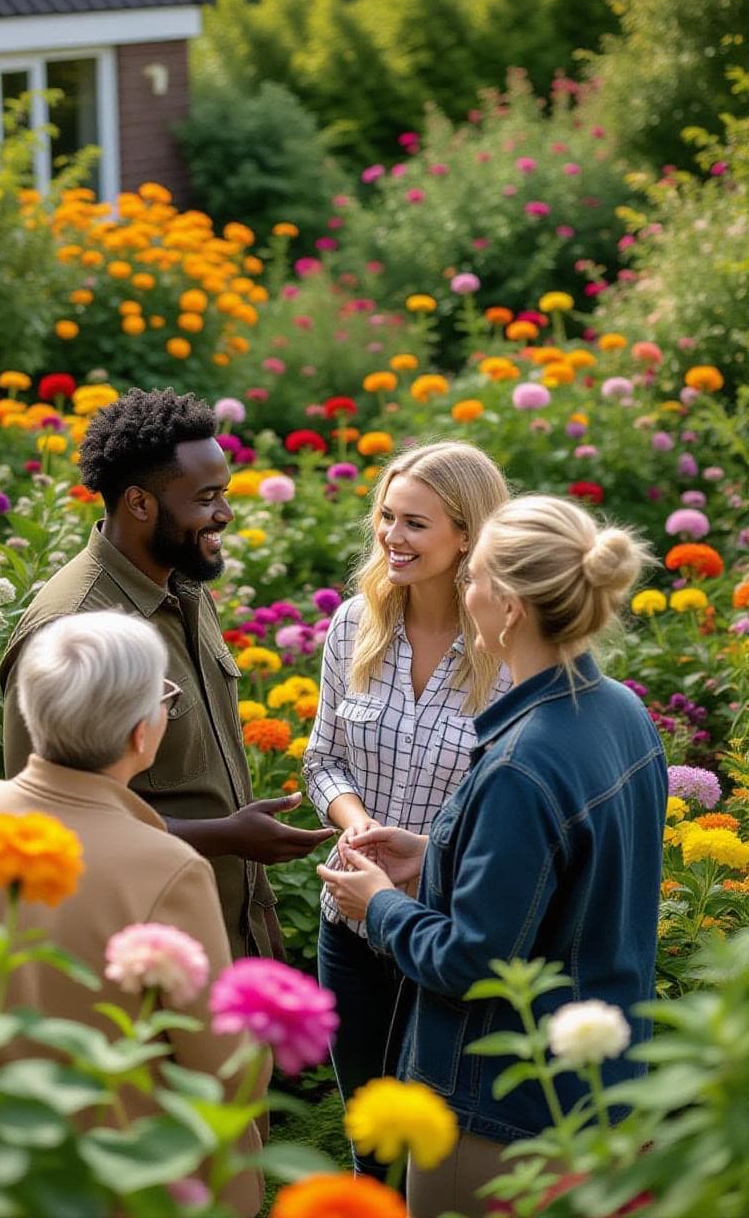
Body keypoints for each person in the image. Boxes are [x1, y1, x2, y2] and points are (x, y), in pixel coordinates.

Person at [318, 494, 668, 1218]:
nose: (466, 591)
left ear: (507, 607)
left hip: (498, 1108)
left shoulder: (521, 763)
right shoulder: (620, 712)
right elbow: (576, 880)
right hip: (599, 1083)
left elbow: (473, 964)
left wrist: (378, 904)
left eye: (475, 577)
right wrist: (437, 853)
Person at [0, 610, 269, 1217]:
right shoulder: (166, 864)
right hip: (121, 1172)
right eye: (165, 696)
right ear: (142, 732)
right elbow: (220, 1067)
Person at [0, 388, 334, 961]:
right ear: (139, 503)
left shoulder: (182, 586)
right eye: (207, 499)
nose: (225, 514)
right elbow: (49, 820)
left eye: (224, 495)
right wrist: (223, 836)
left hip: (227, 926)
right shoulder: (71, 629)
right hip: (140, 946)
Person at [303, 440, 511, 1180]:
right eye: (387, 517)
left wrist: (430, 849)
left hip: (446, 929)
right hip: (352, 920)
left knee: (437, 1144)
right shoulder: (356, 626)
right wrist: (353, 819)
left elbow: (513, 803)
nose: (393, 536)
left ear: (467, 535)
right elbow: (321, 759)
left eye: (416, 523)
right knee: (371, 1136)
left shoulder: (507, 651)